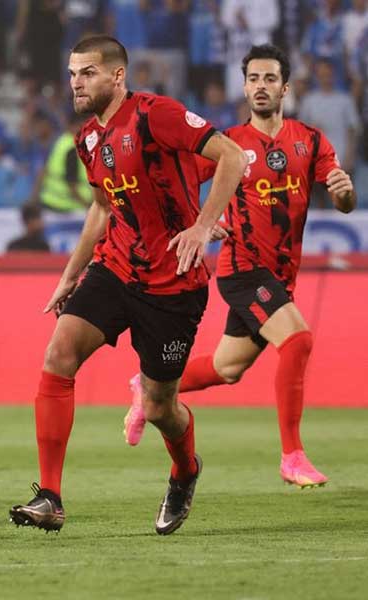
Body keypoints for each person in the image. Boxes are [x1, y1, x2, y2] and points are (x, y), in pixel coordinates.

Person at [8, 35, 246, 535]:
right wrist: (71, 274)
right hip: (116, 266)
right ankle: (50, 496)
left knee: (161, 406)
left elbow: (232, 156)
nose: (76, 82)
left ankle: (185, 470)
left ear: (117, 76)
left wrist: (204, 225)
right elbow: (101, 207)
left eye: (88, 72)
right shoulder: (86, 139)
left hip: (173, 283)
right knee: (58, 354)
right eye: (73, 73)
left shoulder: (154, 114)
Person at [122, 44, 358, 488]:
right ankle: (292, 456)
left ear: (285, 87)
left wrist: (344, 191)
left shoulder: (310, 140)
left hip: (280, 276)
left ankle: (146, 385)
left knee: (228, 368)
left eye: (269, 79)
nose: (260, 87)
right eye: (253, 79)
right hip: (242, 269)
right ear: (244, 86)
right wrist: (200, 223)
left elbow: (343, 200)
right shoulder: (228, 146)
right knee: (299, 340)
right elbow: (178, 185)